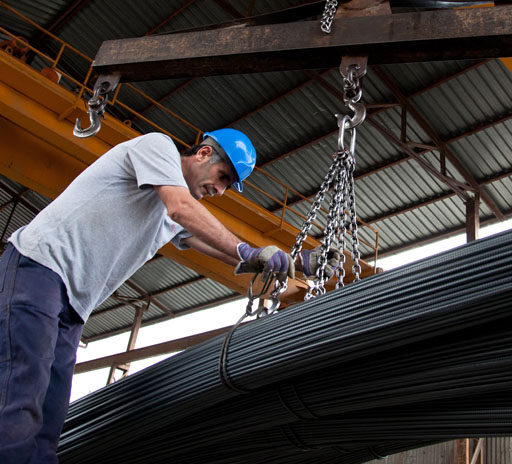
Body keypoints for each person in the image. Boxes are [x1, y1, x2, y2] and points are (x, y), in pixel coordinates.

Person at [0, 129, 336, 462]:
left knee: (50, 421)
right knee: (21, 400)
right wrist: (249, 250)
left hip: (74, 307)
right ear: (203, 153)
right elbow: (180, 208)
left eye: (227, 186)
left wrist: (298, 262)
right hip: (40, 268)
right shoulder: (157, 148)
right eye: (222, 177)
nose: (219, 191)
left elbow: (212, 244)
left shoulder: (170, 210)